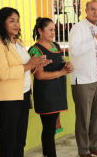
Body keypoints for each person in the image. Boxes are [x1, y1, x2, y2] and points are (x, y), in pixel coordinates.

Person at [0, 7, 48, 157]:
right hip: (7, 99)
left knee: (20, 140)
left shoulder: (18, 42)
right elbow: (3, 73)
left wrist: (36, 65)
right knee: (9, 142)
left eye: (18, 20)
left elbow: (26, 67)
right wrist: (29, 65)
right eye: (11, 20)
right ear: (2, 23)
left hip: (24, 95)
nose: (16, 24)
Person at [69, 0, 97, 157]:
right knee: (84, 116)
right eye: (93, 9)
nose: (96, 12)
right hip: (83, 80)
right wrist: (94, 39)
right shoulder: (78, 28)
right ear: (86, 11)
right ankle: (83, 150)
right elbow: (74, 50)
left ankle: (95, 146)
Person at [29, 17, 74, 157]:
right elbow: (39, 76)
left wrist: (67, 66)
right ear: (40, 31)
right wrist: (62, 72)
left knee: (52, 130)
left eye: (54, 29)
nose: (53, 32)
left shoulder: (56, 46)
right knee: (49, 130)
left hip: (58, 92)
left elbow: (60, 64)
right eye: (50, 30)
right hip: (46, 95)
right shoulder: (35, 50)